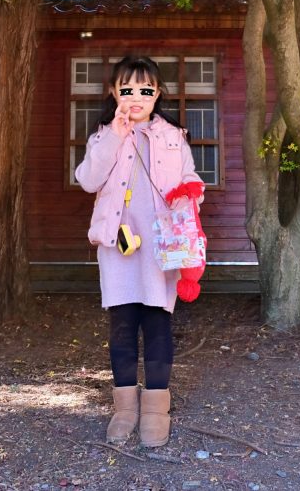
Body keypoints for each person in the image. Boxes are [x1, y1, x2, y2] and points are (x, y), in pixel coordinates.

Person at [75, 55, 205, 448]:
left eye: (145, 90)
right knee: (122, 325)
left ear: (157, 94)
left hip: (162, 246)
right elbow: (88, 180)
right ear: (114, 93)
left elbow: (189, 177)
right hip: (119, 245)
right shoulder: (102, 135)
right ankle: (125, 409)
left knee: (158, 323)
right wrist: (115, 133)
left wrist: (190, 191)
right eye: (127, 89)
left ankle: (154, 411)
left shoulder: (172, 135)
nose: (136, 97)